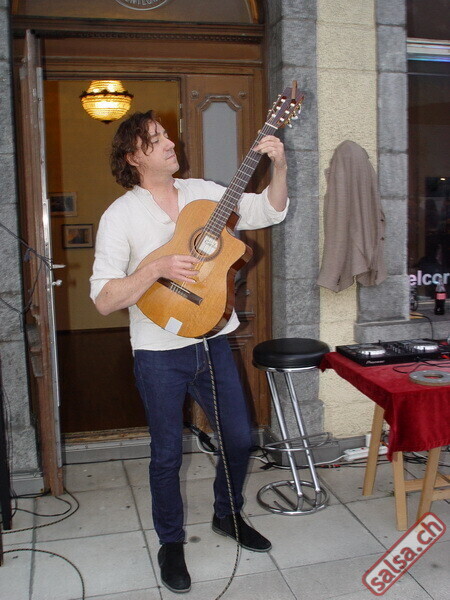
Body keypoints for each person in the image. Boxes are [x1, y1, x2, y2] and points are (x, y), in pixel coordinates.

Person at [90, 110, 289, 593]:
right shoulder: (121, 215)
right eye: (155, 140)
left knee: (238, 439)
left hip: (213, 340)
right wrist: (154, 269)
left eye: (166, 135)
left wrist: (280, 166)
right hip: (158, 350)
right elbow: (103, 299)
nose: (169, 143)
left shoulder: (203, 192)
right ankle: (171, 542)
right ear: (133, 157)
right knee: (166, 454)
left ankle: (228, 514)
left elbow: (267, 211)